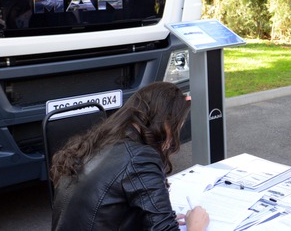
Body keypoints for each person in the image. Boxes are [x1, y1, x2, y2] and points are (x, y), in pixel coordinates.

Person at [50, 82, 210, 231]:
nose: (175, 137)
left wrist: (160, 217)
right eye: (177, 127)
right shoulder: (139, 157)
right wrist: (195, 225)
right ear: (164, 122)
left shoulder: (98, 141)